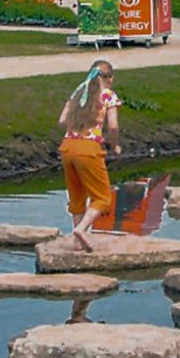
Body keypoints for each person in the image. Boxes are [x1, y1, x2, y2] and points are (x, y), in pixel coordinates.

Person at [58, 59, 121, 252]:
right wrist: (114, 144)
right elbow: (112, 126)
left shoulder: (78, 93)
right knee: (102, 197)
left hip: (67, 147)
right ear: (109, 78)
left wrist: (77, 129)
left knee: (77, 196)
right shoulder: (108, 96)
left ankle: (77, 244)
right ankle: (82, 229)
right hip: (89, 149)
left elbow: (62, 121)